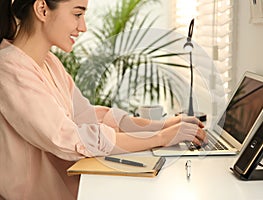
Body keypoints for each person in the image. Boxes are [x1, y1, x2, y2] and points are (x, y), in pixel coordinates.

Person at [0, 0, 207, 199]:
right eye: (77, 14)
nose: (83, 27)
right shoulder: (9, 70)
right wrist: (161, 138)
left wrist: (160, 125)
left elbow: (88, 116)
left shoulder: (49, 63)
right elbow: (72, 138)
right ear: (42, 9)